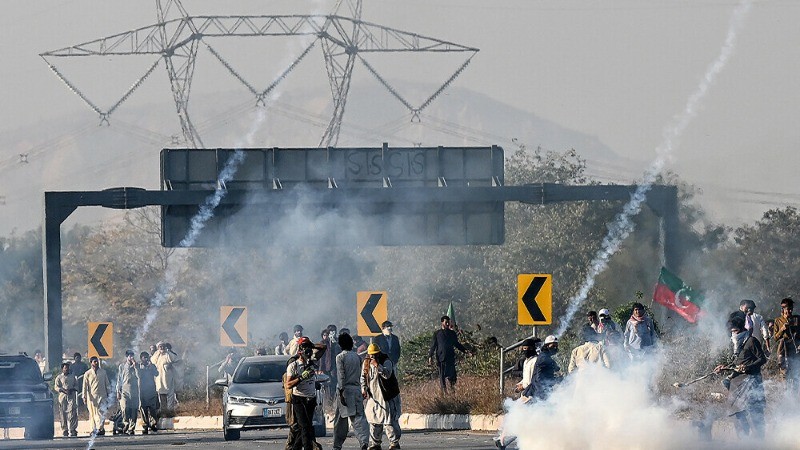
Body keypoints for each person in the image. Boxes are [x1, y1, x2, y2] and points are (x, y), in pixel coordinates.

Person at [715, 315, 767, 439]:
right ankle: (743, 441)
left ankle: (759, 443)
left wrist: (747, 367)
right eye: (731, 331)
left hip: (751, 382)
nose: (733, 334)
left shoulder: (751, 341)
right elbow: (735, 363)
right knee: (737, 414)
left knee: (754, 414)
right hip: (736, 384)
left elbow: (762, 359)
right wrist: (724, 367)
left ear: (742, 329)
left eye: (735, 331)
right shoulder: (735, 343)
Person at [332, 333, 369, 450]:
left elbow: (341, 376)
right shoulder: (357, 357)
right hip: (356, 389)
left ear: (340, 345)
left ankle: (337, 445)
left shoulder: (340, 357)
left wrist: (341, 392)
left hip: (345, 391)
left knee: (340, 420)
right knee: (359, 418)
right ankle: (364, 441)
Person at [362, 343, 401, 450]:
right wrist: (364, 389)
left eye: (374, 355)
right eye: (371, 355)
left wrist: (377, 366)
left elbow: (387, 374)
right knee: (373, 420)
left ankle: (394, 443)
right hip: (373, 397)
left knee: (389, 421)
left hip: (386, 396)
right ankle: (375, 443)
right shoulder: (366, 363)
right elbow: (363, 377)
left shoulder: (386, 361)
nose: (372, 357)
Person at [285, 337, 321, 450]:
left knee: (305, 426)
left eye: (308, 348)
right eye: (304, 347)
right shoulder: (293, 365)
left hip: (311, 398)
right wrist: (301, 378)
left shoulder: (312, 362)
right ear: (299, 350)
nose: (308, 350)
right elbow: (288, 384)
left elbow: (323, 348)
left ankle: (295, 448)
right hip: (299, 399)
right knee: (305, 426)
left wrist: (311, 345)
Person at [428, 315, 469, 393]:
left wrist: (465, 350)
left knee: (452, 375)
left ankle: (452, 389)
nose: (447, 324)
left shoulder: (452, 333)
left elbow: (457, 344)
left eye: (448, 322)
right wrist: (430, 357)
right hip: (441, 358)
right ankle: (444, 392)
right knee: (442, 376)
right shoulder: (437, 333)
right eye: (446, 322)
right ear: (442, 322)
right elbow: (433, 346)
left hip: (450, 357)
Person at [773, 297, 800, 394]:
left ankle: (796, 393)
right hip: (783, 348)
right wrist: (782, 329)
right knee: (784, 372)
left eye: (791, 308)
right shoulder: (778, 321)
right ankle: (785, 394)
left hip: (795, 348)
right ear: (783, 309)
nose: (790, 311)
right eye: (787, 309)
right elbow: (775, 338)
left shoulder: (797, 319)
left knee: (796, 371)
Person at [82, 356, 111, 436]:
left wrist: (109, 394)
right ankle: (93, 429)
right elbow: (85, 386)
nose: (96, 363)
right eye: (94, 361)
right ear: (91, 363)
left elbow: (107, 384)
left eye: (97, 361)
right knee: (92, 414)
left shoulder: (103, 372)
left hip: (102, 396)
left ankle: (100, 428)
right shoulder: (87, 374)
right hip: (91, 397)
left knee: (101, 413)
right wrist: (84, 396)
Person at [527, 335, 562, 401]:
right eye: (553, 346)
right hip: (539, 392)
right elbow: (539, 379)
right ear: (547, 346)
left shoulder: (546, 356)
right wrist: (556, 380)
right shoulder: (544, 358)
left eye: (556, 346)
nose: (555, 348)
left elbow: (556, 369)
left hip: (541, 390)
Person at [116, 350, 140, 435]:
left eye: (132, 356)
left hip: (134, 390)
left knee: (134, 410)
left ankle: (131, 428)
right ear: (127, 357)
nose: (131, 358)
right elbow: (119, 379)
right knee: (125, 408)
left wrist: (135, 366)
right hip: (124, 390)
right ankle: (125, 423)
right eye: (129, 356)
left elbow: (139, 376)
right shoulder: (122, 366)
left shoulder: (137, 365)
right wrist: (118, 391)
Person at [152, 341, 177, 418]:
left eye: (163, 346)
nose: (161, 348)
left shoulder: (168, 354)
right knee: (161, 396)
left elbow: (173, 358)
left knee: (170, 396)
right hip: (159, 379)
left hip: (168, 379)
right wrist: (158, 353)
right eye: (160, 347)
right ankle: (163, 412)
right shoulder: (157, 354)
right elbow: (153, 361)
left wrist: (168, 351)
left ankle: (170, 411)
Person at [54, 362, 78, 437]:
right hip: (62, 397)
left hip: (71, 397)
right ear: (62, 369)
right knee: (63, 414)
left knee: (73, 413)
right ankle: (65, 429)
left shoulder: (72, 377)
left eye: (67, 368)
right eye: (65, 368)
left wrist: (72, 389)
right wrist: (63, 390)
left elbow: (76, 386)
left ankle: (73, 429)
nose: (67, 369)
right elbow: (56, 387)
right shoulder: (59, 377)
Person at [138, 351, 159, 434]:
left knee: (153, 409)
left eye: (147, 357)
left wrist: (151, 368)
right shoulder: (138, 367)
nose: (146, 359)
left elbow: (156, 373)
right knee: (143, 409)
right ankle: (145, 426)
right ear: (141, 358)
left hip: (151, 390)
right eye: (144, 357)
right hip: (142, 390)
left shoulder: (152, 366)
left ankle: (153, 424)